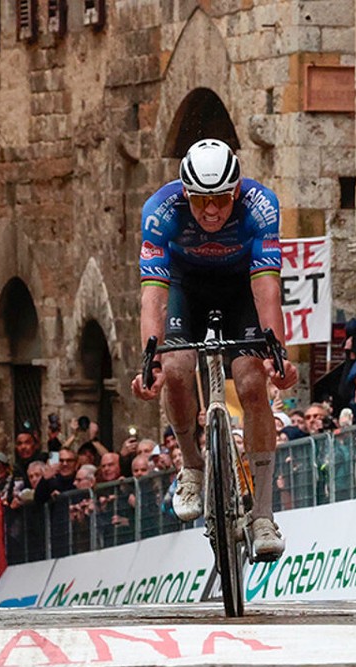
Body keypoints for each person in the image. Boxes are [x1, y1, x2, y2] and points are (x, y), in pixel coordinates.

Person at [130, 138, 298, 562]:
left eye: (221, 200)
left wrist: (277, 354)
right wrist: (149, 363)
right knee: (177, 367)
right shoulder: (160, 211)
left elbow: (266, 289)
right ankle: (192, 465)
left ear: (236, 192)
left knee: (252, 381)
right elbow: (153, 297)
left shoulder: (260, 206)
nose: (211, 211)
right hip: (186, 287)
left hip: (241, 285)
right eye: (202, 200)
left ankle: (261, 513)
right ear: (186, 193)